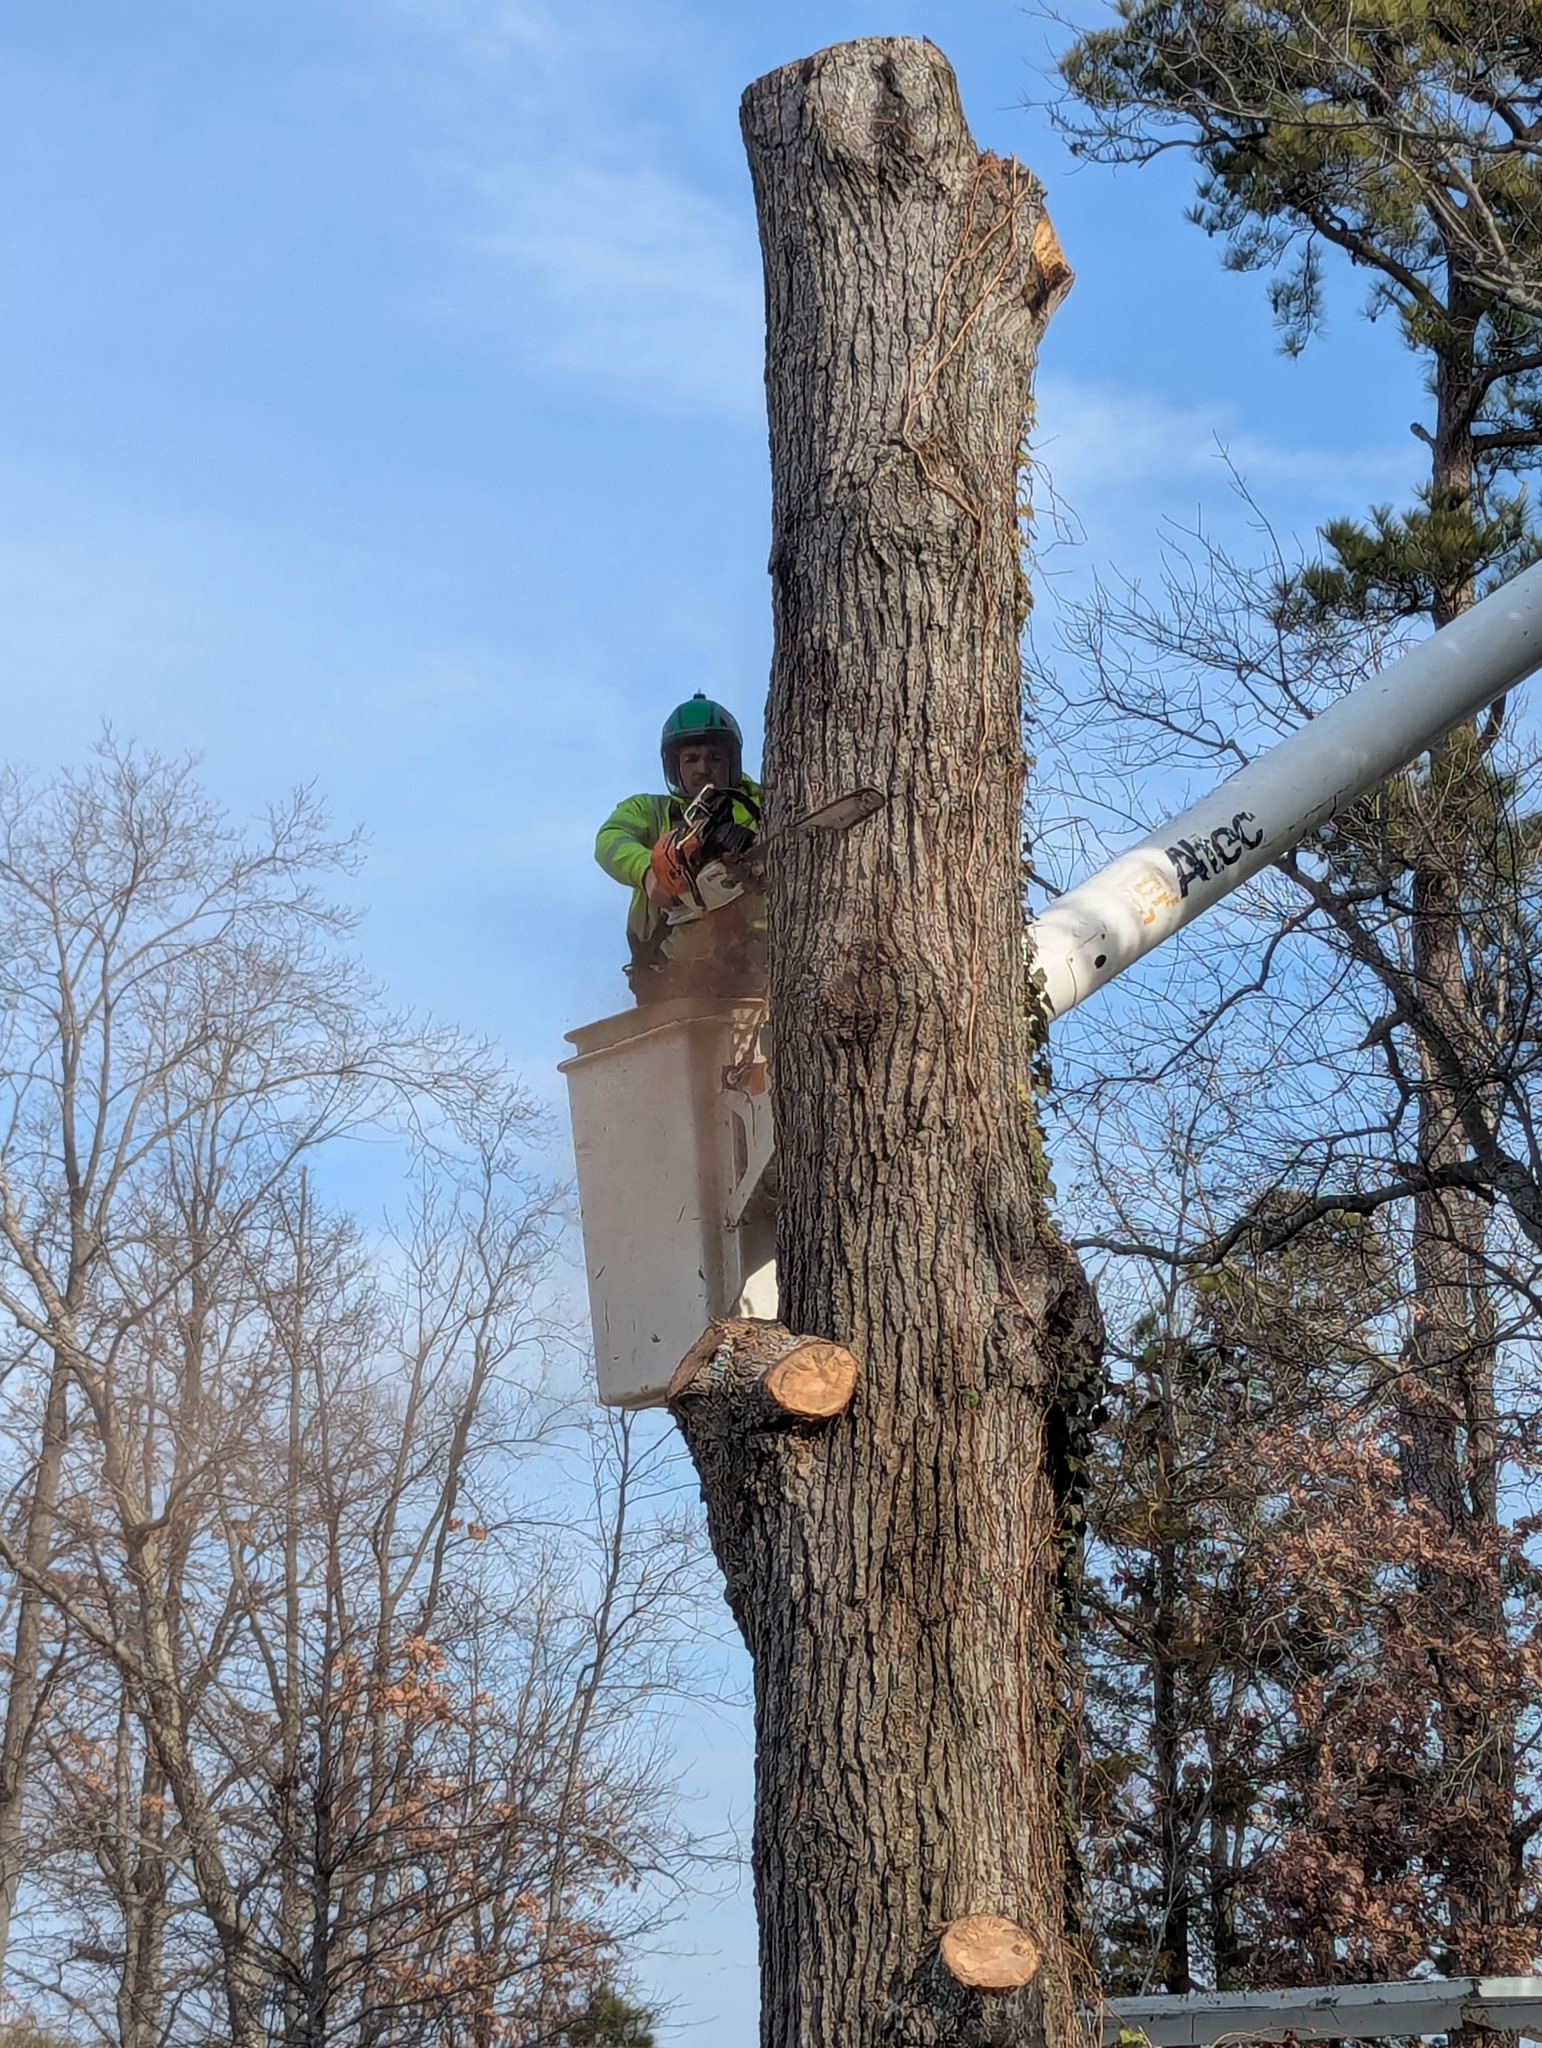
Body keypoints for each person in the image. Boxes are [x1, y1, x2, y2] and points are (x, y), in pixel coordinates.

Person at [596, 694, 765, 1004]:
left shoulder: (765, 806)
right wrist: (647, 872)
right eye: (692, 759)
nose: (703, 768)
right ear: (675, 765)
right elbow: (610, 839)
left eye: (715, 758)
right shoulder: (650, 811)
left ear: (732, 760)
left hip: (758, 966)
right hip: (670, 971)